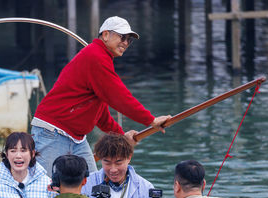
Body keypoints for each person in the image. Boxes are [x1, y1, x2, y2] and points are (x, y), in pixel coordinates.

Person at [31, 15, 171, 175]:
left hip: (76, 137)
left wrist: (121, 136)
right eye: (122, 37)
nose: (125, 43)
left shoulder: (100, 58)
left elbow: (100, 113)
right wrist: (150, 120)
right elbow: (118, 96)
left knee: (91, 187)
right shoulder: (96, 56)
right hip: (52, 132)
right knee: (45, 188)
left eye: (129, 40)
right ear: (105, 35)